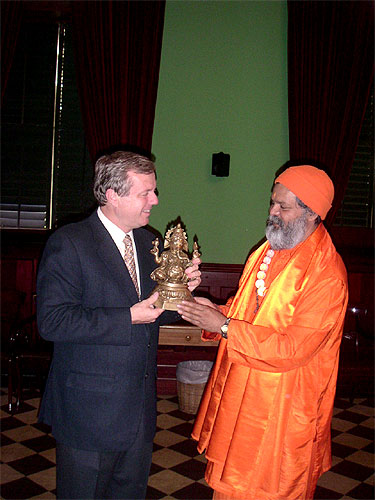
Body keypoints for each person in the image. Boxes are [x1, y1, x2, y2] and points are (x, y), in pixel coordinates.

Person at [36, 150, 201, 499]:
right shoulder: (70, 243)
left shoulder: (147, 242)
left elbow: (154, 312)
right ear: (112, 195)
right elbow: (52, 322)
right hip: (88, 413)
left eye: (153, 191)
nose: (155, 200)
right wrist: (127, 317)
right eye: (145, 193)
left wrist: (182, 291)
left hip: (137, 412)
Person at [177, 165, 348, 500]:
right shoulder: (269, 250)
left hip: (281, 415)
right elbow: (250, 313)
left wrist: (224, 327)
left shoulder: (327, 274)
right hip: (243, 397)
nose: (272, 211)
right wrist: (216, 313)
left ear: (311, 213)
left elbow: (292, 349)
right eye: (272, 202)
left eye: (282, 207)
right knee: (230, 488)